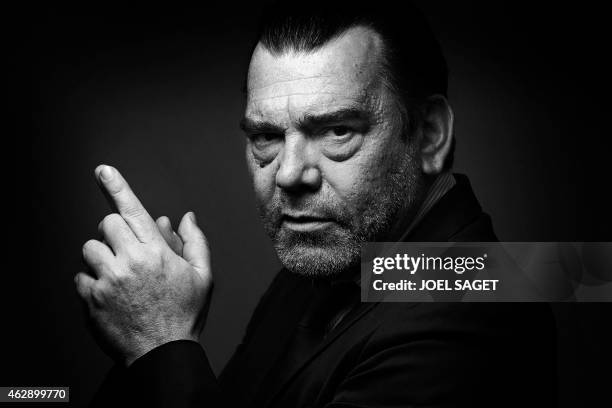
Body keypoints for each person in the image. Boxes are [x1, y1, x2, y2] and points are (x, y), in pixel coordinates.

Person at [76, 2, 557, 407]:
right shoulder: (342, 256)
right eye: (266, 136)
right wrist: (145, 335)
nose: (288, 174)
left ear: (429, 135)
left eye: (336, 131)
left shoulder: (482, 311)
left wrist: (161, 344)